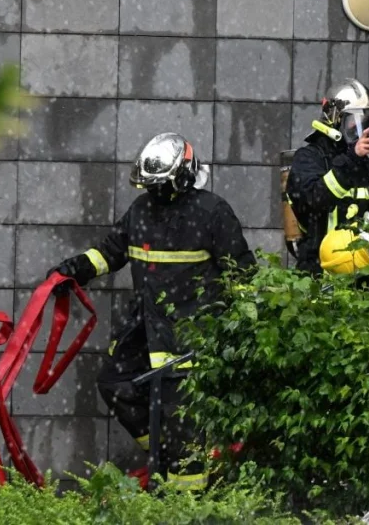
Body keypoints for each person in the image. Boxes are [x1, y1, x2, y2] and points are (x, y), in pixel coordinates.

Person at [47, 133, 255, 491]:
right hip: (145, 327)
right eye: (150, 186)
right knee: (114, 383)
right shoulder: (141, 211)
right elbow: (111, 252)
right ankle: (162, 452)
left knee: (182, 429)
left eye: (160, 186)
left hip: (190, 336)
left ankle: (186, 505)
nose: (154, 193)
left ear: (182, 176)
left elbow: (242, 275)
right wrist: (75, 268)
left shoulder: (211, 212)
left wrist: (236, 332)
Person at [285, 79, 369, 276]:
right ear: (334, 118)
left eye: (367, 121)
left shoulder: (361, 163)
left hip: (361, 271)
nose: (362, 128)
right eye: (356, 120)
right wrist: (352, 159)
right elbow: (313, 200)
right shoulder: (309, 158)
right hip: (319, 272)